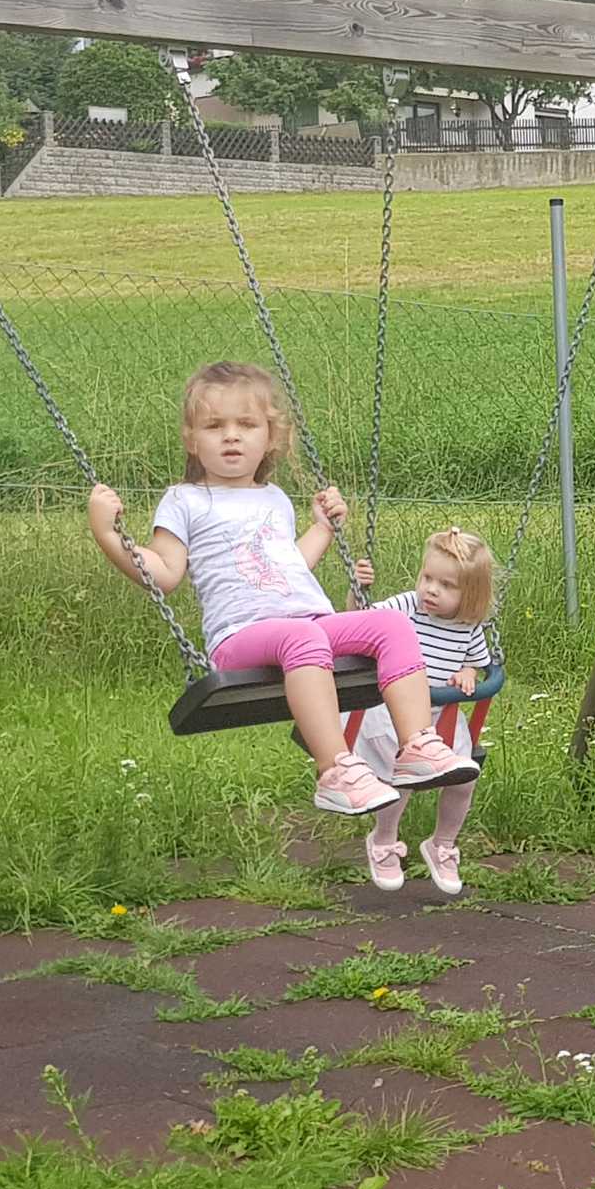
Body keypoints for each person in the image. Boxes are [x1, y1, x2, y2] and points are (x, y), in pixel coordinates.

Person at [86, 362, 476, 818]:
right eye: (214, 426)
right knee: (303, 637)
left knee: (390, 624)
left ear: (270, 436)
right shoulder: (184, 499)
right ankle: (335, 770)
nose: (231, 436)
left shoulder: (274, 498)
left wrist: (322, 528)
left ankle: (416, 744)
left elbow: (287, 566)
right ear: (192, 439)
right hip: (241, 636)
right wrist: (108, 535)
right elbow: (165, 573)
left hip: (308, 624)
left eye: (246, 424)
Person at [348, 529, 500, 896]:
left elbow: (474, 662)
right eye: (427, 577)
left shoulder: (468, 626)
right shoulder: (406, 607)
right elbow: (356, 623)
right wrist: (356, 589)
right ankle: (384, 839)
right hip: (392, 712)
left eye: (446, 585)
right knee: (402, 776)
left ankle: (442, 844)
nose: (431, 589)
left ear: (471, 595)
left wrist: (467, 672)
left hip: (439, 716)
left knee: (464, 779)